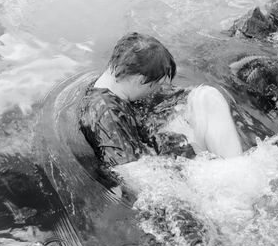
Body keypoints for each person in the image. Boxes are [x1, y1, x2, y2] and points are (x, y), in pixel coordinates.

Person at [79, 32, 243, 169]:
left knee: (208, 97)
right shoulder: (105, 114)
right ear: (139, 80)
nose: (157, 90)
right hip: (166, 171)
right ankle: (235, 173)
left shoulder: (113, 90)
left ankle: (236, 169)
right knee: (208, 100)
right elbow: (130, 173)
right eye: (156, 85)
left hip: (159, 147)